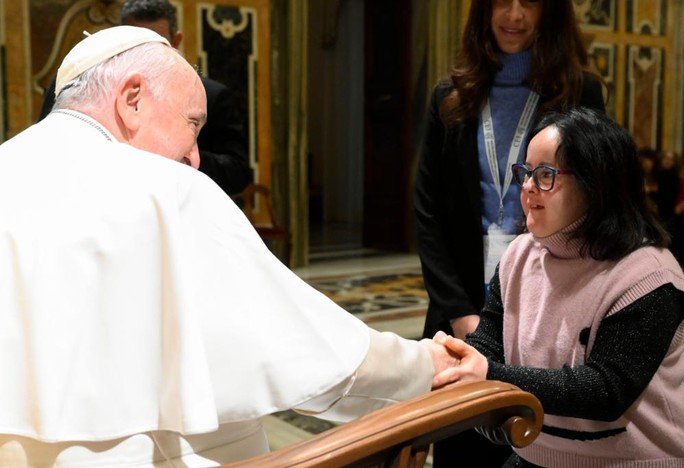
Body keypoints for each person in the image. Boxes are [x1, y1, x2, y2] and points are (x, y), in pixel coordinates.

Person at [0, 26, 458, 466]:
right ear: (131, 99)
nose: (195, 158)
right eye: (192, 124)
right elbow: (310, 351)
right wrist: (425, 366)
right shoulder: (165, 188)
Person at [432, 107, 684, 467]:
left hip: (638, 459)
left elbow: (606, 391)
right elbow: (488, 345)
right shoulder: (518, 256)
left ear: (597, 183)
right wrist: (455, 358)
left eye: (545, 175)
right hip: (540, 455)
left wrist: (487, 373)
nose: (527, 187)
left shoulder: (647, 276)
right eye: (525, 173)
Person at [413, 0, 605, 464]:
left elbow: (596, 201)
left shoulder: (581, 93)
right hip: (460, 312)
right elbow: (428, 212)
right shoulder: (449, 95)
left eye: (529, 2)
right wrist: (460, 312)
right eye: (502, 0)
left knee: (538, 449)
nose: (514, 15)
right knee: (460, 451)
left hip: (548, 311)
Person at [37, 0, 253, 196]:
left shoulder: (211, 95)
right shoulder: (74, 79)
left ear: (176, 41)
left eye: (155, 43)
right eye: (136, 41)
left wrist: (175, 153)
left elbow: (237, 171)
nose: (144, 53)